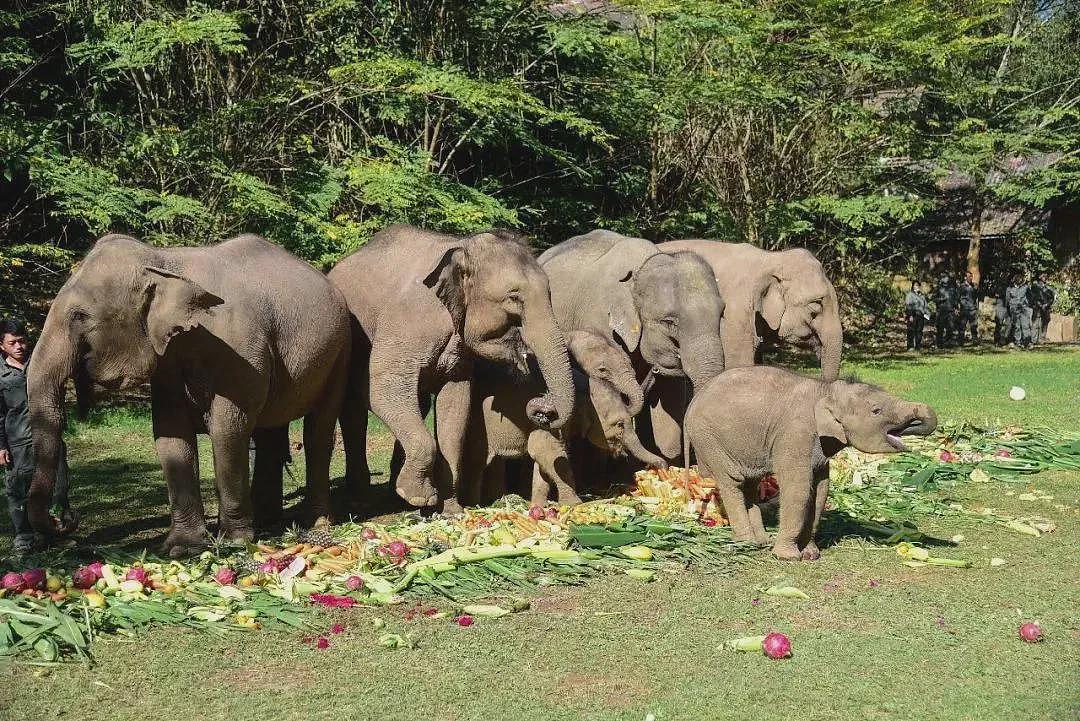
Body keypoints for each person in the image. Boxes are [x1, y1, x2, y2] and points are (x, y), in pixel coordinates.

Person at [0, 319, 76, 554]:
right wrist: (1, 446)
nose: (19, 346)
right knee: (19, 489)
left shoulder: (41, 361)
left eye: (22, 341)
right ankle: (24, 536)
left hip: (49, 437)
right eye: (12, 343)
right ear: (2, 345)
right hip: (18, 441)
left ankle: (57, 532)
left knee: (58, 487)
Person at [1004, 274, 1033, 348]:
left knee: (1025, 325)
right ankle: (1018, 342)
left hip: (1023, 309)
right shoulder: (1009, 289)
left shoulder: (1025, 288)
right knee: (1017, 326)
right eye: (1018, 279)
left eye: (1021, 279)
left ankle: (1027, 342)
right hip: (1014, 309)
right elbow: (1007, 300)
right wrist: (1009, 308)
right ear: (1015, 280)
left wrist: (1027, 305)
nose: (1020, 280)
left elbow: (1031, 297)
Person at [1030, 273, 1056, 344]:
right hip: (1037, 307)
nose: (1045, 278)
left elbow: (1052, 298)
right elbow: (1033, 297)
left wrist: (1047, 304)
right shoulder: (1035, 286)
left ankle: (1042, 337)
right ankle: (1034, 339)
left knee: (1045, 322)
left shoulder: (1048, 287)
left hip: (1046, 307)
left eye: (1046, 276)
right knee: (1035, 323)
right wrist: (1040, 305)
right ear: (1039, 277)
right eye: (1043, 276)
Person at [904, 281, 930, 350]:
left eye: (918, 285)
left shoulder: (922, 296)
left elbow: (925, 306)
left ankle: (918, 345)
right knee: (911, 331)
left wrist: (928, 314)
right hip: (913, 315)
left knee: (919, 331)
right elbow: (908, 306)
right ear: (913, 286)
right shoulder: (910, 295)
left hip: (921, 316)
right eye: (915, 285)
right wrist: (910, 315)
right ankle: (910, 346)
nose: (917, 287)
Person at [956, 271, 979, 344]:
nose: (971, 278)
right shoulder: (961, 287)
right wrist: (957, 308)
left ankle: (975, 340)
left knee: (974, 326)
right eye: (969, 276)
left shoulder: (974, 286)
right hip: (964, 309)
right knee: (962, 326)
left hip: (972, 309)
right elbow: (957, 298)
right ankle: (960, 341)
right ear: (965, 277)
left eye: (972, 277)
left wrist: (976, 308)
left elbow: (976, 297)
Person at [933, 274, 956, 348]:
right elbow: (934, 299)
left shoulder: (952, 289)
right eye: (944, 278)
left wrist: (956, 308)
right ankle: (939, 344)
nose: (946, 279)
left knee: (950, 328)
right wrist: (942, 299)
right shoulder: (938, 289)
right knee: (940, 329)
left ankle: (948, 343)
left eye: (947, 278)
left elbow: (955, 300)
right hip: (941, 311)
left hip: (950, 311)